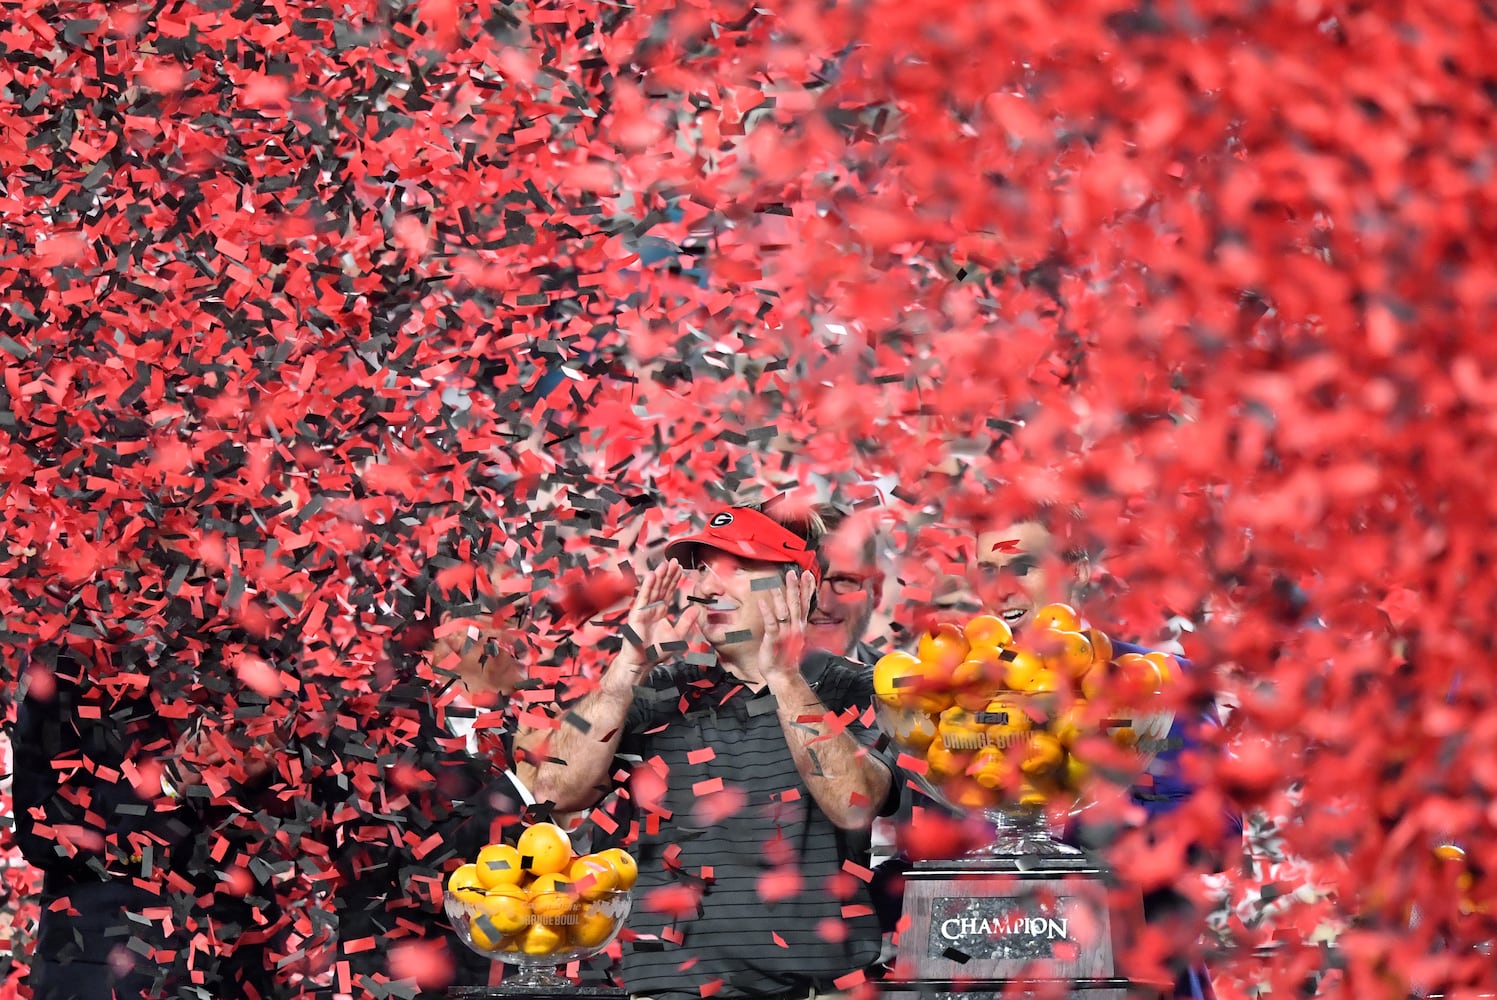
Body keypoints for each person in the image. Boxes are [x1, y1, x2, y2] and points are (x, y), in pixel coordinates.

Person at [529, 503, 902, 1000]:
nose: (704, 589)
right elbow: (551, 789)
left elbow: (855, 804)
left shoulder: (856, 688)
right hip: (668, 990)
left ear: (798, 588)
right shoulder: (662, 689)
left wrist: (784, 676)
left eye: (735, 570)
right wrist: (626, 665)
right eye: (702, 570)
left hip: (814, 991)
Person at [929, 507, 1242, 999]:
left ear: (1074, 571)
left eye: (1022, 567)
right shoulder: (956, 701)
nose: (1000, 589)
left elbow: (1219, 834)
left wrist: (1050, 828)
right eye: (987, 571)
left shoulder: (1161, 681)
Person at [14, 616, 293, 1000]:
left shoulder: (250, 631)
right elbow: (39, 831)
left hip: (237, 966)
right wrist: (167, 783)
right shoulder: (69, 651)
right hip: (110, 971)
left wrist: (266, 767)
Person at [326, 546, 537, 998]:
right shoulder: (380, 732)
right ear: (445, 634)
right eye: (507, 612)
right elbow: (395, 881)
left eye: (526, 611)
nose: (524, 628)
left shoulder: (543, 729)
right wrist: (520, 789)